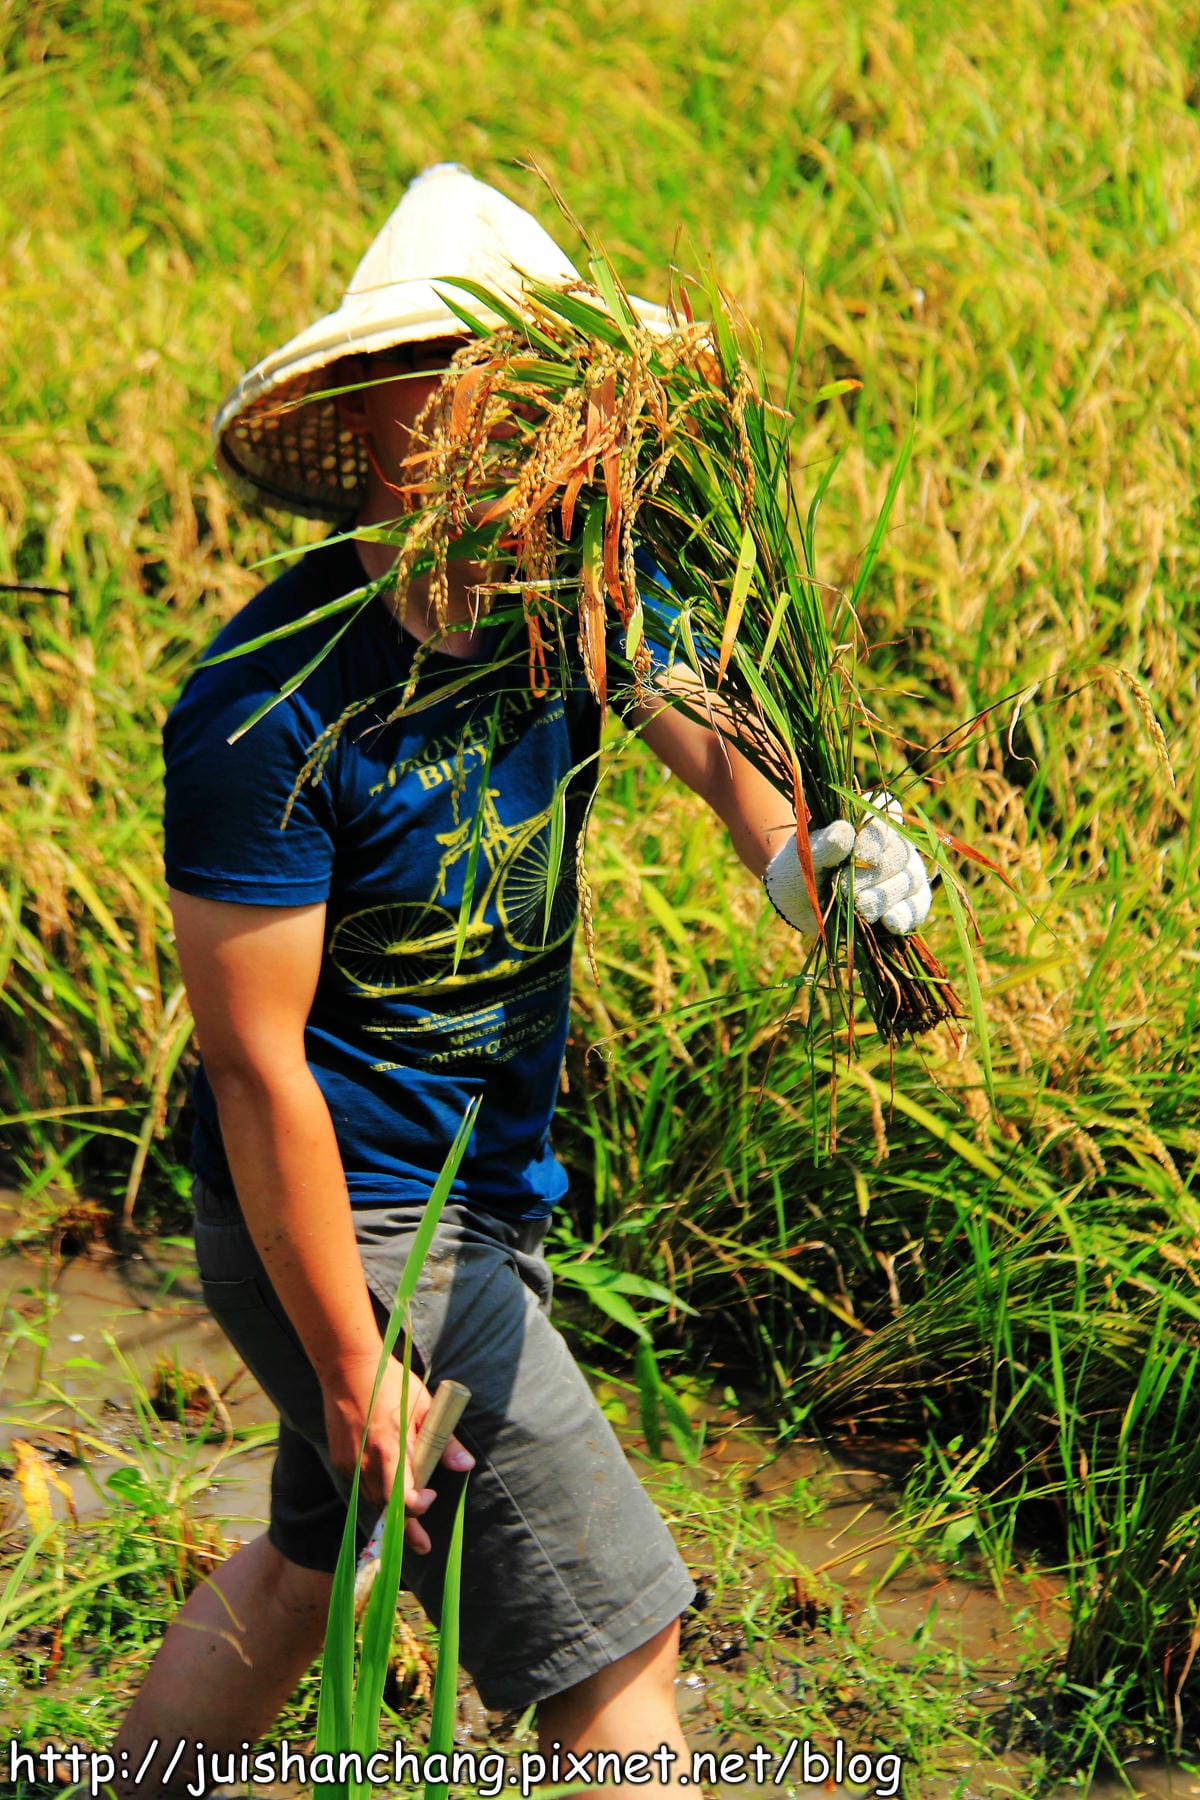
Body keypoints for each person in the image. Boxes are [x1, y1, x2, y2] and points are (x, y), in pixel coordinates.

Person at [112, 164, 931, 1798]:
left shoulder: (583, 594)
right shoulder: (267, 709)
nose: (498, 428)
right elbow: (260, 1072)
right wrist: (353, 1361)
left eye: (536, 393)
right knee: (620, 1646)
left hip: (489, 1198)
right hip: (352, 1224)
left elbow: (724, 760)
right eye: (461, 387)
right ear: (382, 411)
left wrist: (812, 867)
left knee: (303, 1574)